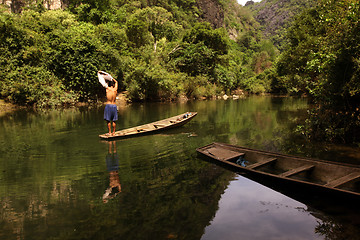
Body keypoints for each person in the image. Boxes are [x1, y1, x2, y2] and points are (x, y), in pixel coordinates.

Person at [100, 71, 118, 135]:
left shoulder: (107, 89)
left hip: (108, 105)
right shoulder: (115, 89)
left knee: (108, 120)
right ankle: (114, 132)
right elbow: (116, 82)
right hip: (114, 106)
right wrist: (112, 78)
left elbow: (103, 82)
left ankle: (110, 132)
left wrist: (102, 73)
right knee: (114, 120)